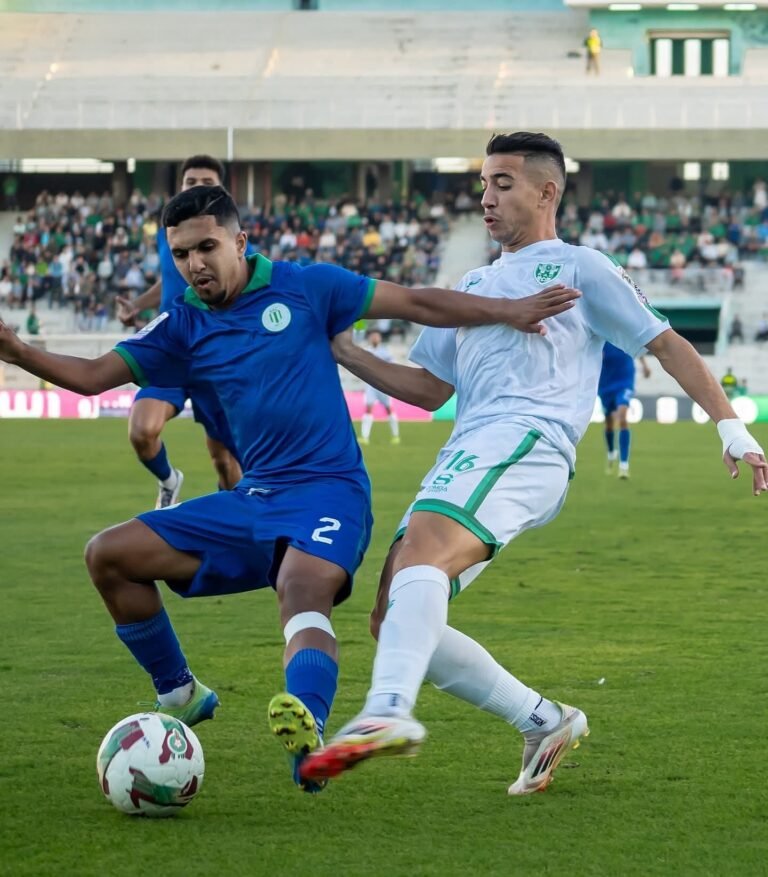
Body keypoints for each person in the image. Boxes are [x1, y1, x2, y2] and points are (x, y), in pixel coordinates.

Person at [0, 184, 580, 794]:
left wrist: (508, 311)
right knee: (108, 556)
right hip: (255, 498)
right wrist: (14, 348)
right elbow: (93, 378)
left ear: (240, 241)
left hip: (331, 492)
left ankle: (309, 741)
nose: (194, 265)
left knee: (300, 588)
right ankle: (179, 692)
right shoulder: (182, 325)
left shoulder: (307, 286)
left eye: (206, 247)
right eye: (180, 254)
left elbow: (415, 302)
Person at [301, 132, 768, 795]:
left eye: (503, 183)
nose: (486, 198)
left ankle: (387, 711)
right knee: (392, 613)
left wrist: (731, 427)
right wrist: (343, 350)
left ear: (547, 191)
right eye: (484, 185)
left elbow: (666, 344)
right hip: (471, 446)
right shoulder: (474, 285)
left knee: (421, 560)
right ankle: (543, 719)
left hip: (528, 441)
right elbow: (429, 387)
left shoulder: (580, 267)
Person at [116, 155, 244, 508]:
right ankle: (169, 480)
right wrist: (138, 306)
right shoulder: (168, 234)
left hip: (214, 352)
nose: (197, 188)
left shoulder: (231, 240)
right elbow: (170, 279)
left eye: (206, 183)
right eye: (191, 183)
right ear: (179, 187)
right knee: (142, 431)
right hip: (172, 348)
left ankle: (237, 528)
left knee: (226, 461)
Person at [599, 342, 651, 479]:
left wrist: (645, 365)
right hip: (606, 383)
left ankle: (623, 465)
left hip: (624, 380)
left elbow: (637, 346)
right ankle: (611, 452)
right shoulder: (601, 330)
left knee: (622, 417)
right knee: (609, 422)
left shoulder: (623, 328)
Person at [359, 329, 400, 446]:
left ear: (380, 338)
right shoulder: (366, 351)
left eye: (376, 336)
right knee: (368, 408)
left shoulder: (385, 351)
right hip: (370, 385)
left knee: (389, 408)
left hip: (383, 385)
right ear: (370, 338)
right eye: (373, 336)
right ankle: (364, 437)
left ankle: (395, 435)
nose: (375, 338)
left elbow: (392, 365)